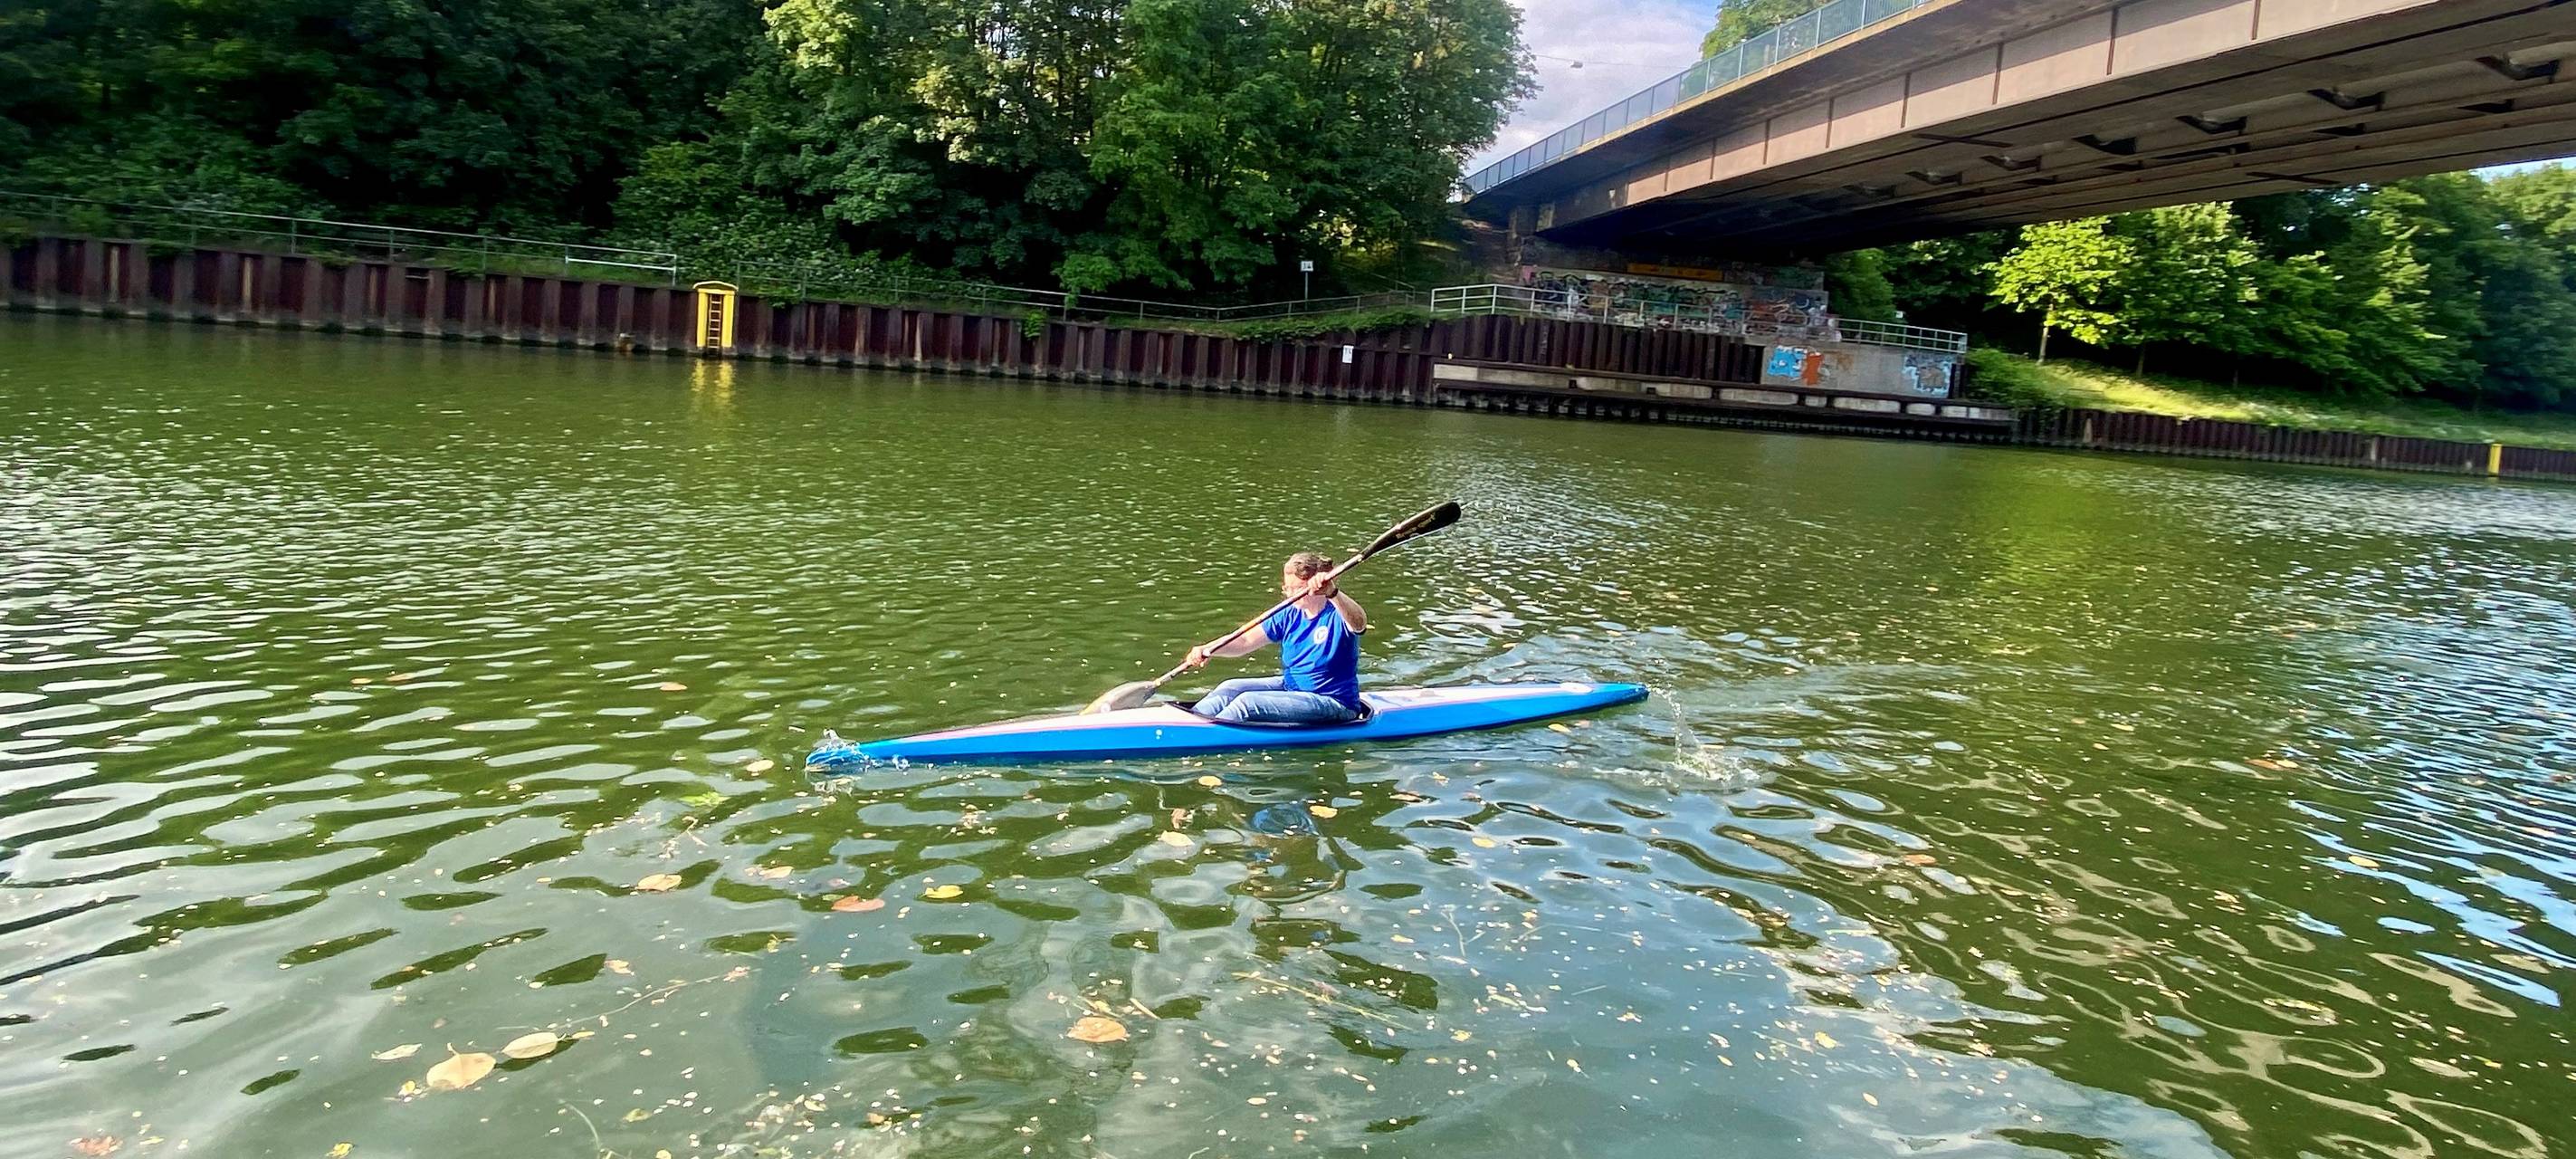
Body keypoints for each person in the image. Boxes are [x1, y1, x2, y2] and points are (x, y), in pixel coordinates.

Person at [1183, 551, 1369, 724]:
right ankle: (1187, 723)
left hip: (1334, 702)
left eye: (1297, 589)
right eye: (1287, 588)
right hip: (1292, 688)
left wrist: (1333, 593)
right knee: (1229, 688)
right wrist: (1208, 649)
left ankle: (1205, 736)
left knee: (1247, 703)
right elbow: (1245, 640)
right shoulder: (1289, 613)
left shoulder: (1337, 613)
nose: (1290, 595)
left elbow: (1359, 624)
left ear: (1317, 586)